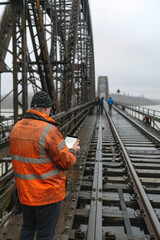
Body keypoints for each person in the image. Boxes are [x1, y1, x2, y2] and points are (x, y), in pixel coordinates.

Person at [9, 91, 80, 240]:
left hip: (25, 192)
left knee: (27, 230)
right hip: (47, 195)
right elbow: (66, 162)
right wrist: (73, 150)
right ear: (47, 109)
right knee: (45, 234)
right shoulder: (49, 130)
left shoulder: (16, 128)